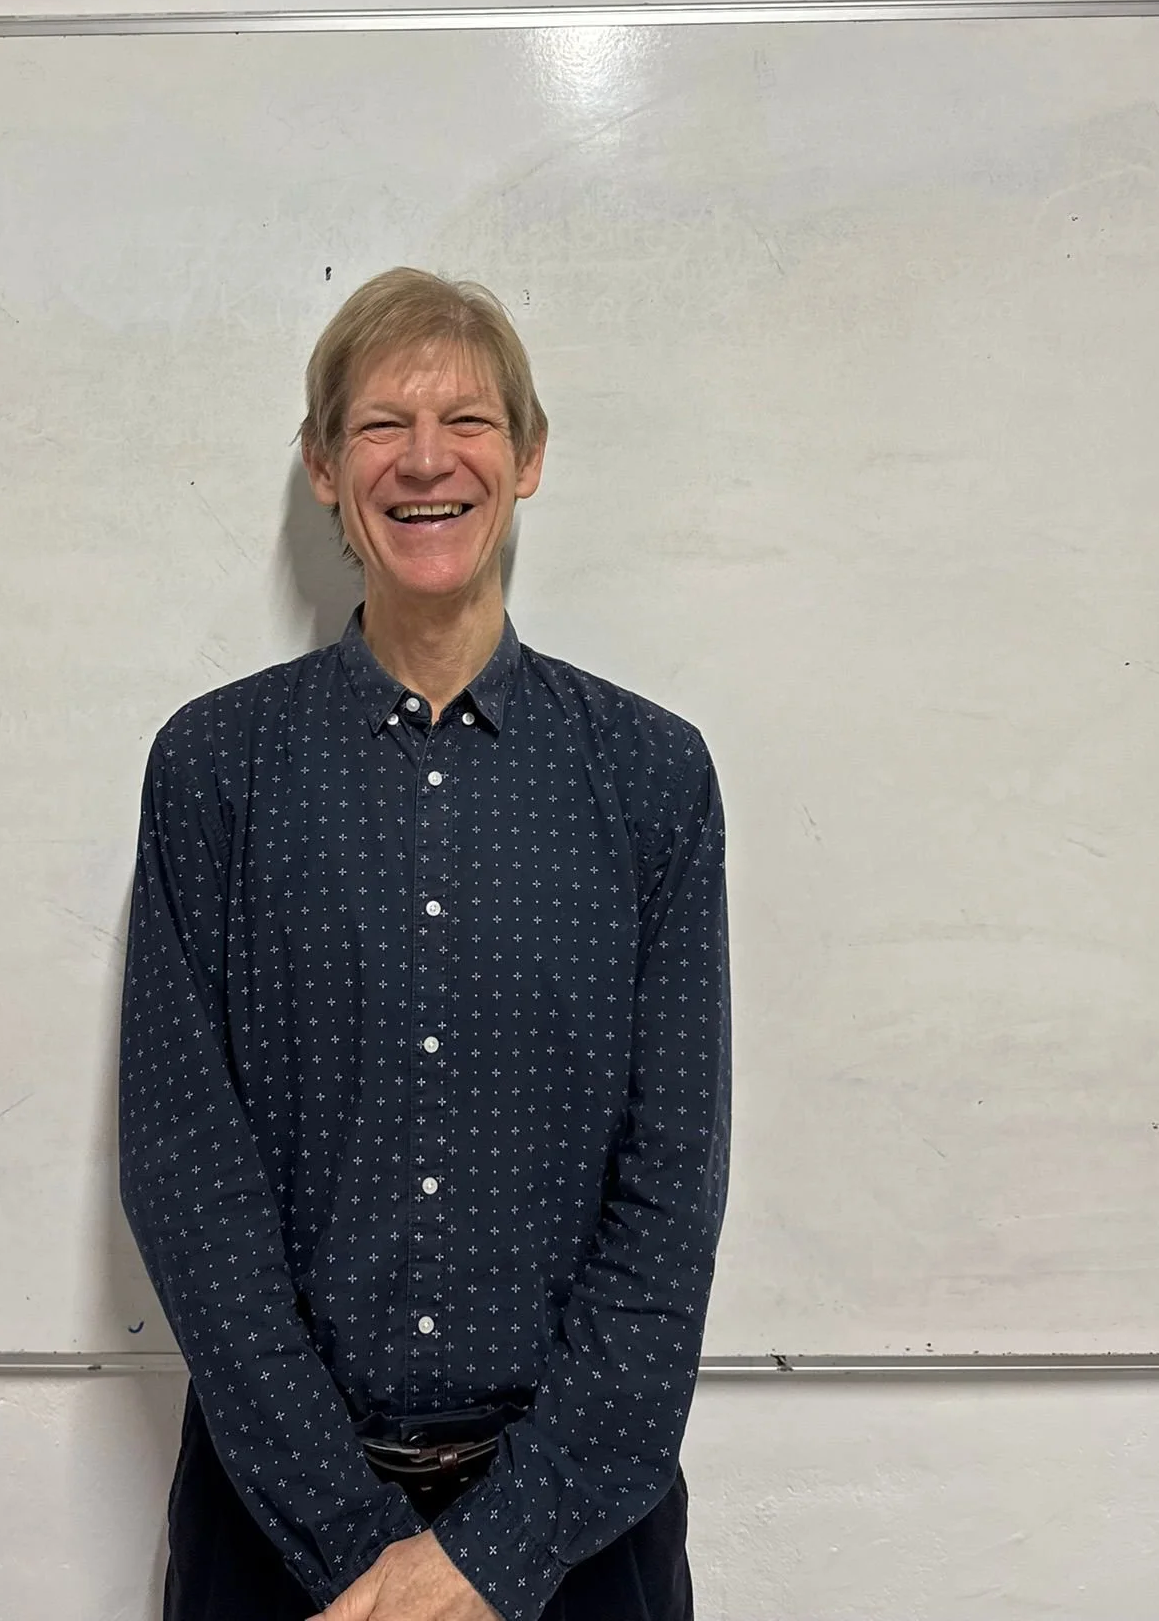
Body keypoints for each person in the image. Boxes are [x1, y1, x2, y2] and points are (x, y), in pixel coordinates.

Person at [119, 267, 731, 1621]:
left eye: (468, 420)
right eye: (382, 423)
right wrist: (359, 1546)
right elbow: (184, 1168)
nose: (426, 458)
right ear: (323, 468)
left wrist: (488, 1556)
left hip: (578, 1532)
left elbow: (670, 1196)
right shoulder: (215, 769)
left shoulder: (652, 779)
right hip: (275, 1529)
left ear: (529, 457)